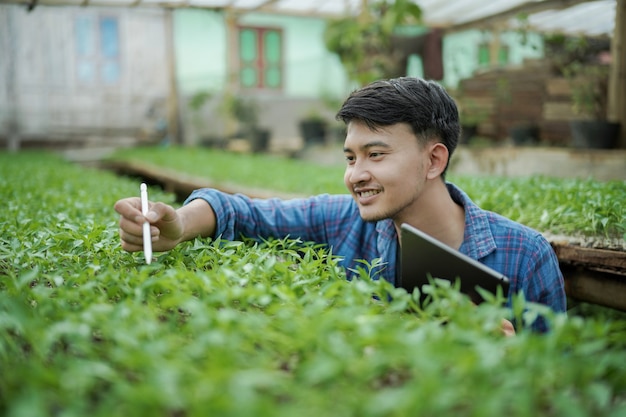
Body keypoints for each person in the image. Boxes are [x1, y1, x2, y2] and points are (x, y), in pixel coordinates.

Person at [114, 77, 566, 334]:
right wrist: (178, 225)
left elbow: (563, 385)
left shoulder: (525, 255)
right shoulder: (343, 221)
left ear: (434, 160)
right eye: (350, 158)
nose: (355, 174)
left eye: (375, 154)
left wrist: (512, 358)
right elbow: (245, 213)